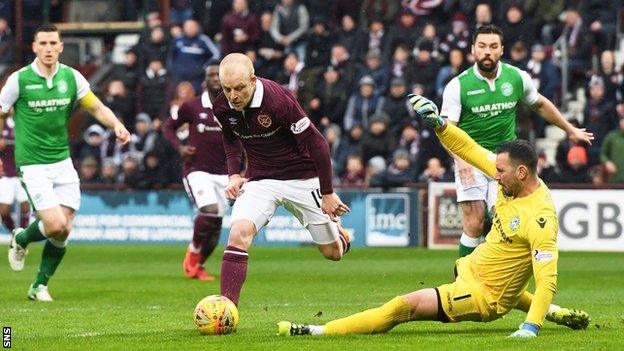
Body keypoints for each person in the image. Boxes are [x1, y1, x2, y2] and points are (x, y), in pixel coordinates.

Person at [278, 94, 590, 338]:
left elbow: (546, 280)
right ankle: (555, 313)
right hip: (471, 268)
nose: (494, 176)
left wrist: (530, 329)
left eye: (500, 172)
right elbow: (468, 148)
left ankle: (318, 330)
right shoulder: (510, 178)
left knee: (405, 306)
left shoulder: (540, 218)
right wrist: (440, 124)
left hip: (483, 296)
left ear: (522, 173)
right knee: (500, 277)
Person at [0, 24, 130, 301]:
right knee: (56, 224)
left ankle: (39, 285)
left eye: (53, 43)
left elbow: (95, 106)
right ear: (34, 47)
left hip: (62, 161)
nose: (48, 48)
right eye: (43, 43)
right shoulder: (19, 80)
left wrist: (117, 125)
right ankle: (21, 239)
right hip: (32, 163)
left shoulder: (72, 78)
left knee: (64, 228)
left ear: (61, 47)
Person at [438, 24, 593, 257]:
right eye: (482, 46)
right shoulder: (458, 86)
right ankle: (463, 283)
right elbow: (447, 131)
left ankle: (498, 277)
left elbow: (539, 104)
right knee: (474, 221)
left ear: (501, 50)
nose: (487, 51)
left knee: (506, 221)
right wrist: (460, 160)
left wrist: (569, 129)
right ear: (473, 50)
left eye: (493, 46)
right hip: (470, 158)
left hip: (505, 161)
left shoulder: (516, 77)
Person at [213, 53, 351, 306]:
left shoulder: (278, 99)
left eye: (239, 88)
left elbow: (317, 142)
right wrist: (234, 174)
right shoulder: (222, 106)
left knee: (333, 254)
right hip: (260, 180)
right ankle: (226, 309)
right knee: (238, 233)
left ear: (253, 80)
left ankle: (341, 236)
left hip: (302, 177)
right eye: (227, 89)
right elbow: (230, 137)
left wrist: (328, 193)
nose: (233, 96)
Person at [163, 64, 227, 281]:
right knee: (208, 210)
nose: (215, 78)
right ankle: (193, 250)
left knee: (216, 228)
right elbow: (168, 127)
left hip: (225, 173)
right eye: (211, 75)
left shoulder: (234, 106)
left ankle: (198, 265)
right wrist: (180, 148)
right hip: (197, 169)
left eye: (218, 75)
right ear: (205, 80)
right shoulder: (192, 106)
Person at [0, 115, 31, 233]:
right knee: (3, 211)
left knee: (25, 207)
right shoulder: (2, 124)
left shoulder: (25, 122)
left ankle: (23, 236)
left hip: (23, 173)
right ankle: (15, 233)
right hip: (6, 175)